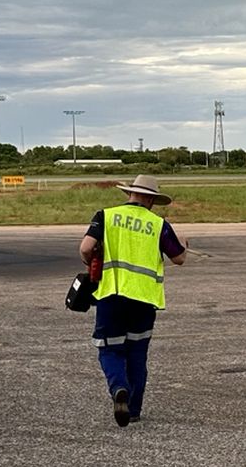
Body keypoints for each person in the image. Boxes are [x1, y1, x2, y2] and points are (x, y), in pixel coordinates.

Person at [79, 175, 187, 427]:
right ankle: (135, 409)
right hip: (144, 299)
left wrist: (92, 263)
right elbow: (179, 258)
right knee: (137, 354)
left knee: (110, 349)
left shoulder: (105, 216)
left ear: (130, 194)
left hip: (112, 296)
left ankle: (119, 388)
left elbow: (86, 248)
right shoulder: (158, 224)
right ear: (150, 198)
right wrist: (184, 246)